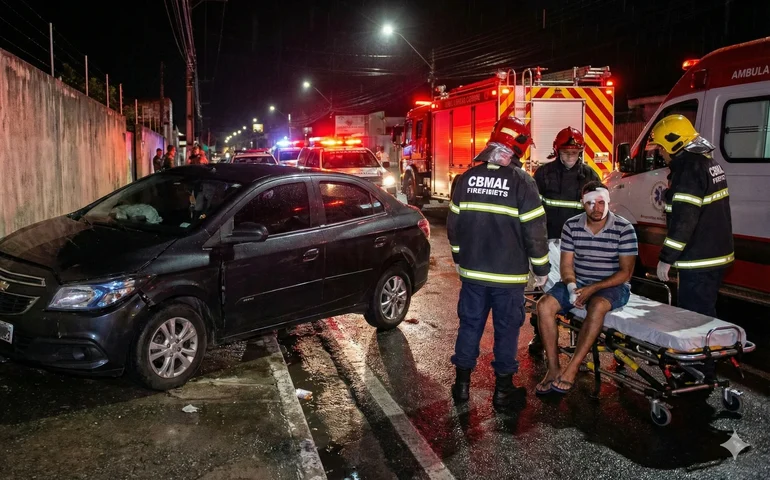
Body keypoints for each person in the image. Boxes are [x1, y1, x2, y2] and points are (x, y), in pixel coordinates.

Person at [447, 116, 550, 409]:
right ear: (518, 149)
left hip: (473, 275)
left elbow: (454, 226)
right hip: (508, 278)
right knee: (506, 331)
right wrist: (541, 268)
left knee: (469, 327)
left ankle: (461, 388)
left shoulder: (466, 178)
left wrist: (458, 257)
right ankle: (503, 392)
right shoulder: (522, 182)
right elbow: (534, 229)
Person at [535, 181, 637, 395]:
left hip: (612, 285)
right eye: (590, 203)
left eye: (601, 202)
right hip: (579, 281)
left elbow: (625, 273)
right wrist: (572, 286)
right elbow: (566, 265)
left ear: (608, 202)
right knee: (544, 305)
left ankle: (572, 368)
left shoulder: (624, 228)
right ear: (583, 203)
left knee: (598, 305)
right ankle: (553, 369)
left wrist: (593, 289)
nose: (596, 208)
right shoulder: (571, 225)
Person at [649, 114, 733, 317]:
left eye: (661, 147)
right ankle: (707, 346)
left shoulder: (688, 170)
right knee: (704, 314)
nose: (660, 152)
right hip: (714, 254)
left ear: (674, 143)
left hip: (699, 259)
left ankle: (700, 348)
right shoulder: (707, 162)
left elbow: (684, 220)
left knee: (692, 318)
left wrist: (666, 258)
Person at [529, 127, 600, 355]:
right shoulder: (543, 174)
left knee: (580, 291)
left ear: (581, 152)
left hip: (578, 245)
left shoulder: (590, 176)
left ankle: (581, 340)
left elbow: (599, 212)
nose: (570, 157)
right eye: (566, 152)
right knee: (544, 293)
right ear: (557, 151)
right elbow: (533, 211)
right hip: (548, 242)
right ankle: (540, 337)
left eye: (575, 152)